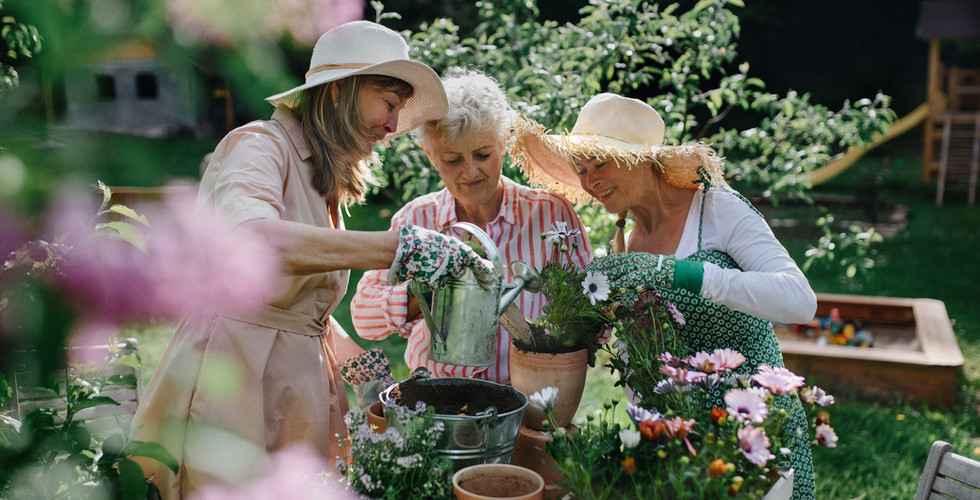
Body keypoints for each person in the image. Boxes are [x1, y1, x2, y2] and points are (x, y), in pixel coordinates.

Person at [131, 21, 492, 499]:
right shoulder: (259, 146)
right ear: (340, 90)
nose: (391, 127)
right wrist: (398, 248)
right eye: (389, 104)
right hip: (237, 388)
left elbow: (308, 315)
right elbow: (250, 237)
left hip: (292, 391)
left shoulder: (322, 184)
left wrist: (378, 383)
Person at [510, 93, 818, 500]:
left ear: (642, 158)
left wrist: (680, 273)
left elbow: (800, 301)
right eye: (581, 169)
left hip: (754, 429)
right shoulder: (625, 246)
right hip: (681, 441)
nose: (589, 181)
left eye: (601, 162)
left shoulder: (716, 208)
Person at [351, 69, 591, 384]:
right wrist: (419, 293)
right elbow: (363, 318)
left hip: (530, 401)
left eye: (483, 154)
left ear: (504, 142)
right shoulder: (417, 219)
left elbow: (592, 315)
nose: (470, 172)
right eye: (452, 159)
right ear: (431, 156)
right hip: (439, 400)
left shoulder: (551, 217)